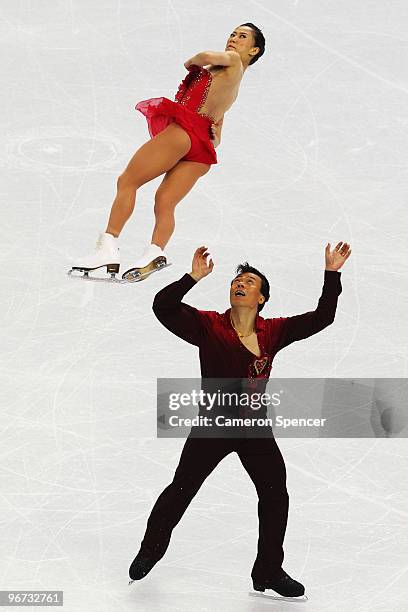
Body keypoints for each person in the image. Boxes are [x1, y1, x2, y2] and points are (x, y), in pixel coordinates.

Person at [129, 241, 352, 599]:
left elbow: (322, 317)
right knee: (181, 490)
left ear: (261, 297)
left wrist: (332, 273)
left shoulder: (274, 332)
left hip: (255, 430)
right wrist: (191, 277)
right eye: (238, 280)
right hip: (212, 428)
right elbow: (163, 306)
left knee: (276, 495)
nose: (241, 284)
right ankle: (149, 551)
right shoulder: (208, 326)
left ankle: (269, 570)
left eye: (249, 282)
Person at [70, 23, 266, 281]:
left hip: (183, 133)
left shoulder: (232, 62)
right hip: (200, 150)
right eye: (232, 34)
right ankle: (154, 252)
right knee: (165, 201)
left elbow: (204, 57)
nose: (233, 39)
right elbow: (217, 136)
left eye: (242, 37)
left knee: (127, 181)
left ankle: (107, 249)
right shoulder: (233, 84)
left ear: (253, 50)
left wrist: (191, 63)